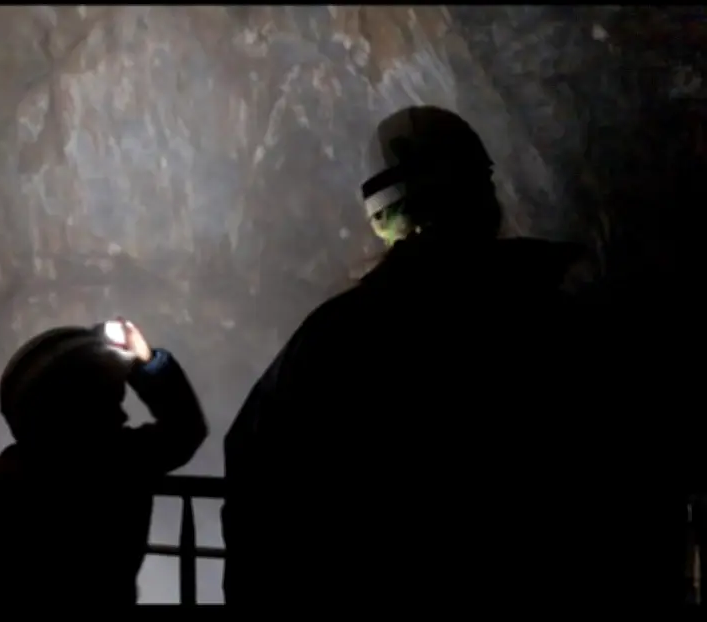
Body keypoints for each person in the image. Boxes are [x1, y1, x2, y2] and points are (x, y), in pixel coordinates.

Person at [221, 106, 626, 608]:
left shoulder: (335, 341)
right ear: (485, 195)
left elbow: (261, 482)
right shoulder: (566, 327)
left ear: (380, 215)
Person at [0, 318, 207, 610]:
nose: (122, 415)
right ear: (83, 408)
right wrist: (147, 363)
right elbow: (185, 428)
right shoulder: (121, 465)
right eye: (111, 400)